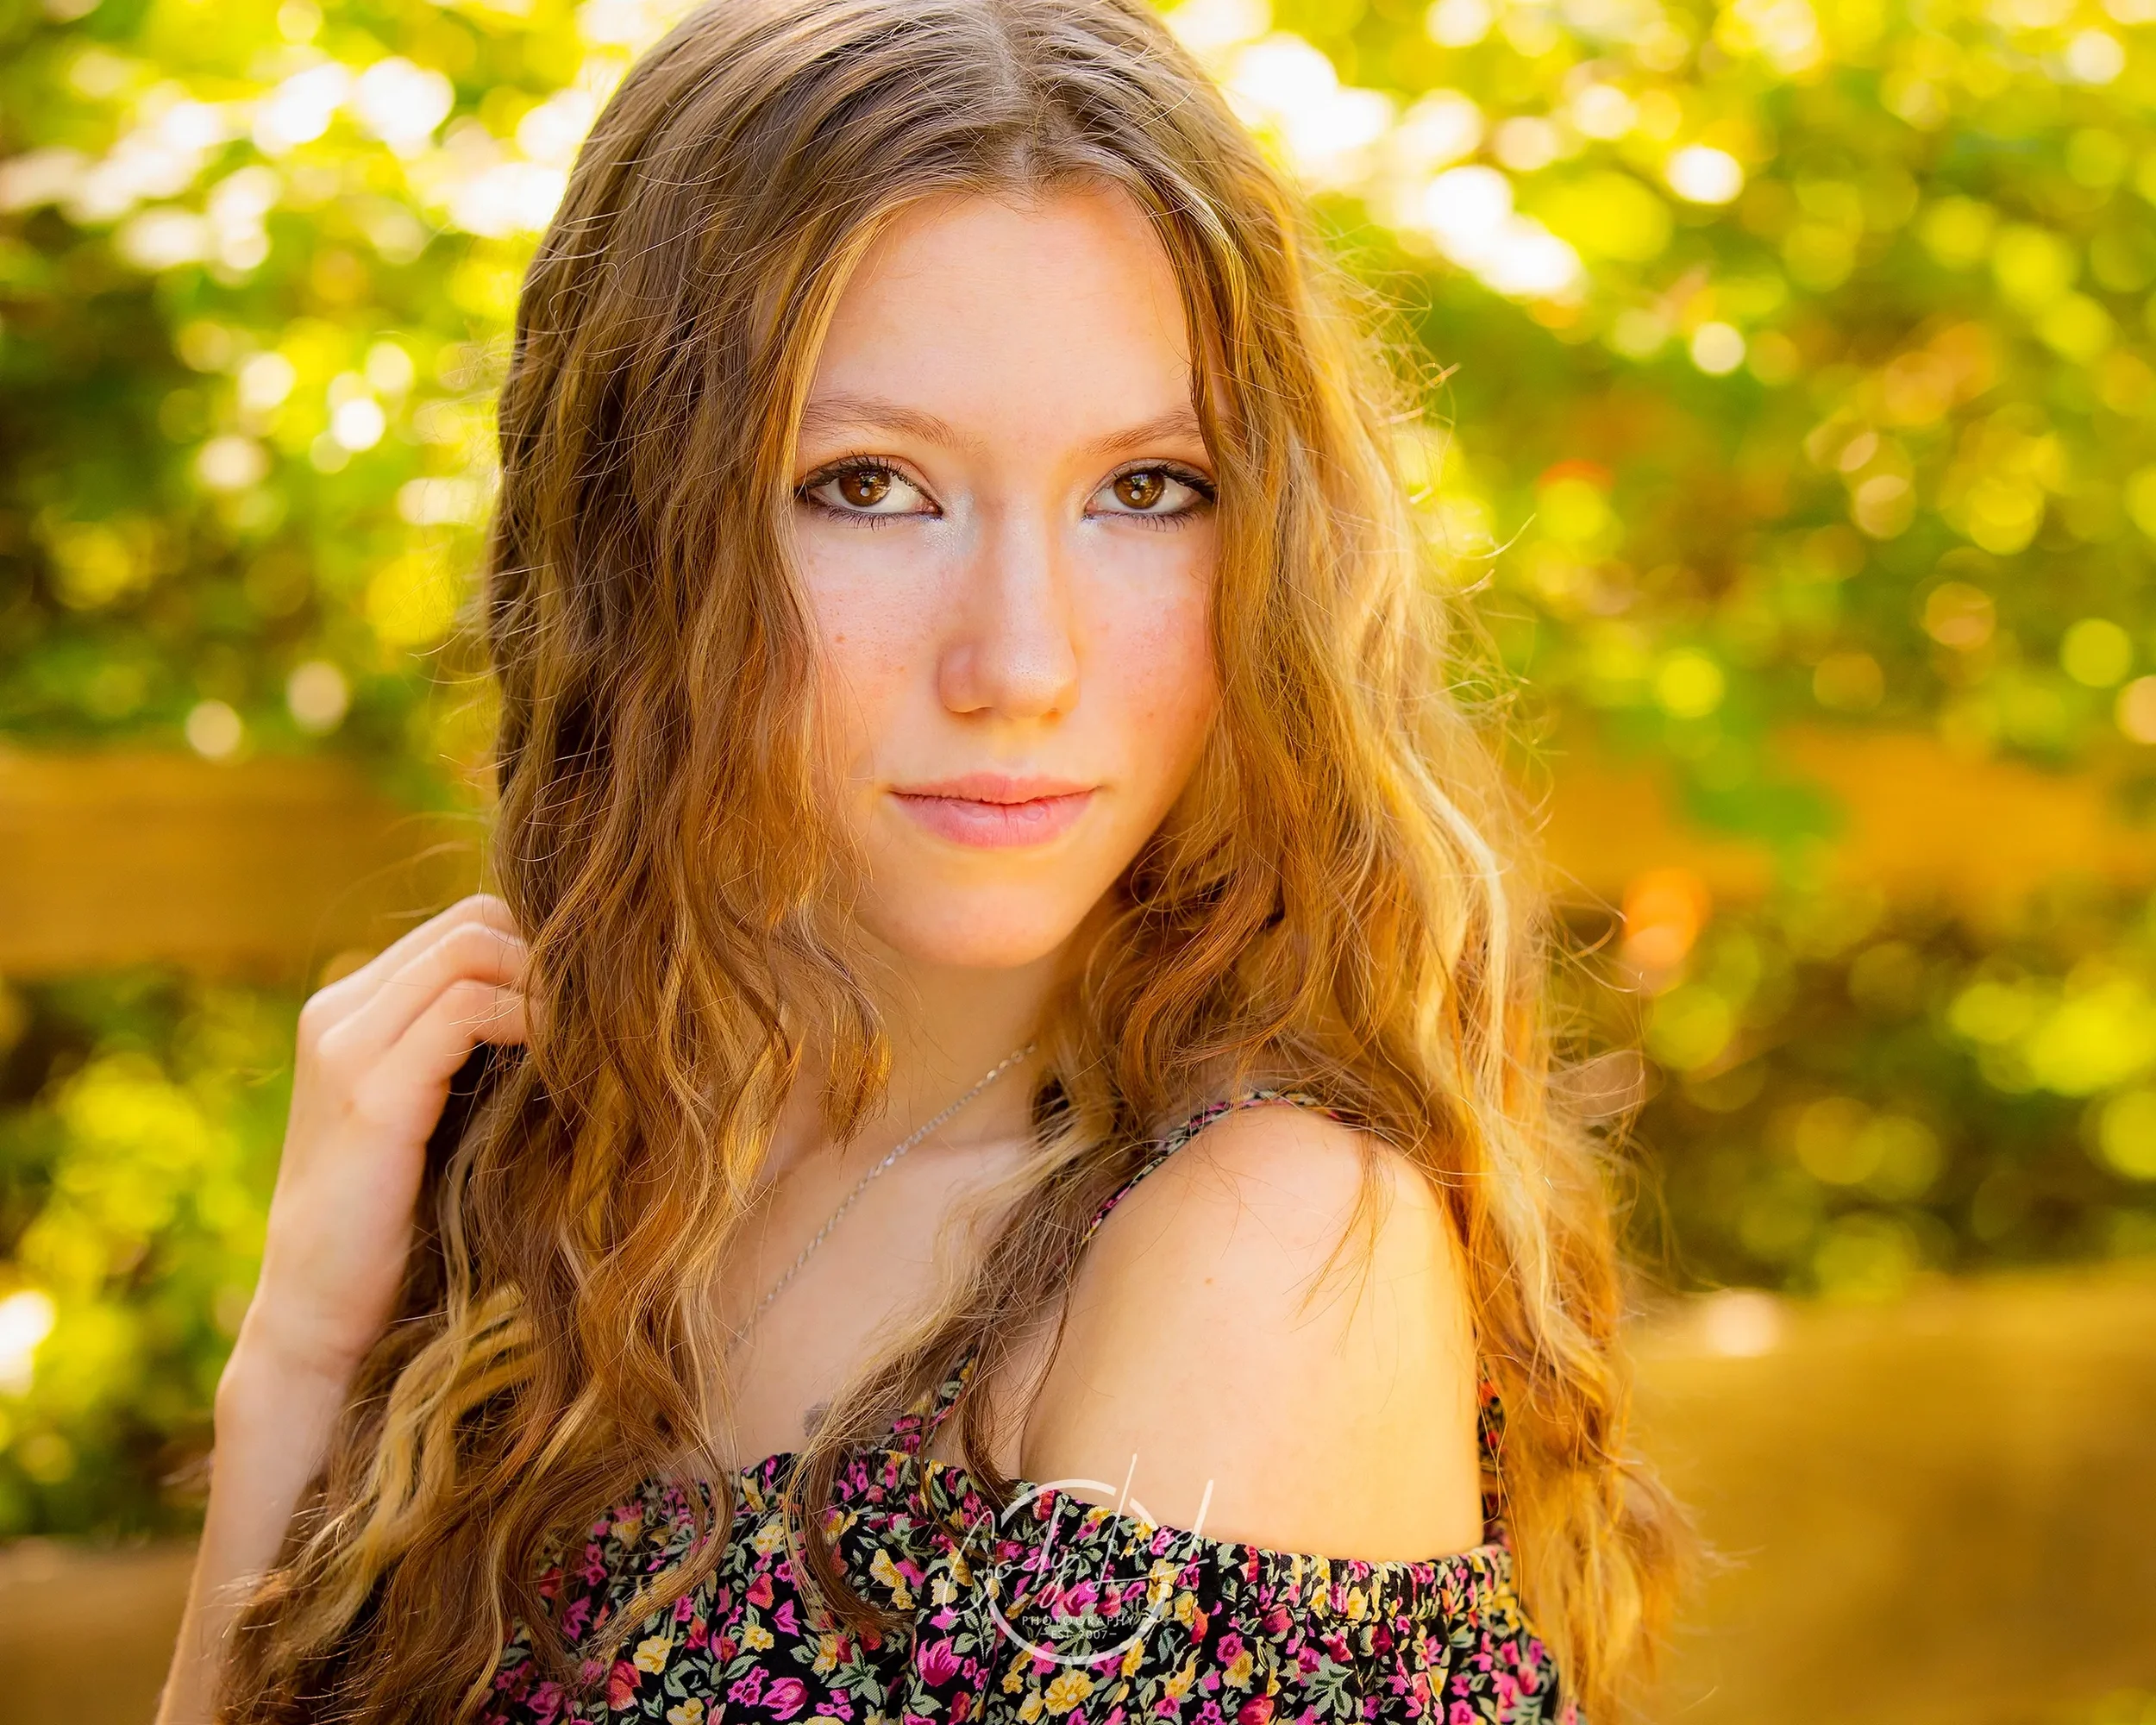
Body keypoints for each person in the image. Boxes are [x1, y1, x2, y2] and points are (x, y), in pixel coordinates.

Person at [155, 1, 1684, 1720]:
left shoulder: (1255, 1249)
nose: (1019, 662)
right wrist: (296, 1365)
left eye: (1148, 488)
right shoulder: (571, 1194)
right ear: (637, 531)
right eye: (867, 485)